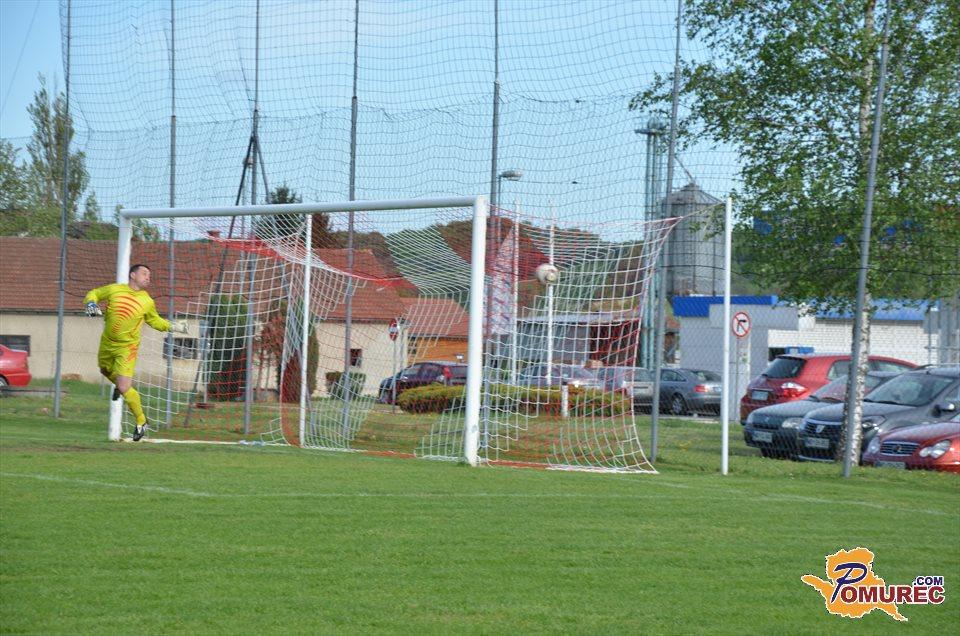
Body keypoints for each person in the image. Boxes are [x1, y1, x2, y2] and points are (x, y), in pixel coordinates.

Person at [84, 264, 187, 441]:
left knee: (125, 387)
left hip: (127, 348)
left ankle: (141, 421)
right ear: (132, 275)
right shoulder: (115, 289)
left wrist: (174, 326)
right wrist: (91, 303)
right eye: (144, 273)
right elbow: (94, 293)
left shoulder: (147, 301)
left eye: (149, 275)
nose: (148, 277)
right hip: (107, 343)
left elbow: (155, 321)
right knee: (104, 370)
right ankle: (119, 385)